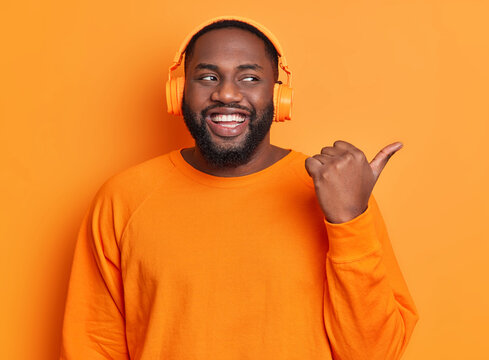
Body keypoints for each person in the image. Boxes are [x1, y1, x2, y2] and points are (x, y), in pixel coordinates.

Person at [60, 16, 418, 359]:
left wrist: (348, 221)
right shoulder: (123, 198)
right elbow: (92, 347)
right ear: (179, 92)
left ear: (279, 98)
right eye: (208, 76)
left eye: (249, 78)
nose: (227, 93)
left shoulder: (339, 193)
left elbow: (374, 353)